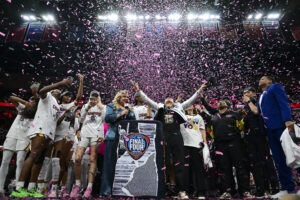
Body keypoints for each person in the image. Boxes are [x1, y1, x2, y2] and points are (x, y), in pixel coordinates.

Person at [131, 81, 202, 199]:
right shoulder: (159, 107)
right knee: (164, 164)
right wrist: (138, 89)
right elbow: (147, 99)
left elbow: (191, 100)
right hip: (163, 138)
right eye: (167, 99)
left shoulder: (179, 108)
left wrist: (199, 90)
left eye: (171, 99)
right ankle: (164, 189)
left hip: (177, 137)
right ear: (163, 102)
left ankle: (181, 190)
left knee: (179, 163)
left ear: (174, 102)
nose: (169, 100)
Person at [11, 77, 73, 198]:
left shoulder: (57, 104)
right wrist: (61, 83)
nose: (58, 90)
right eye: (56, 89)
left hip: (49, 133)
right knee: (33, 156)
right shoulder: (47, 97)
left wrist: (64, 113)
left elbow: (57, 122)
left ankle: (31, 188)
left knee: (39, 160)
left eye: (59, 90)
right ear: (52, 90)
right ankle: (18, 187)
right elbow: (42, 91)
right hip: (40, 130)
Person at [257, 76, 296, 199]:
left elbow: (283, 102)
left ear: (269, 81)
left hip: (280, 126)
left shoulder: (275, 87)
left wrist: (287, 119)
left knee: (293, 155)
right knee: (279, 160)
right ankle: (287, 188)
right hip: (270, 131)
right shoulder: (261, 96)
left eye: (263, 78)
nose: (260, 80)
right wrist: (265, 132)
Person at [47, 74, 84, 198]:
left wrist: (81, 81)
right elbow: (56, 122)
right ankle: (52, 186)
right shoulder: (56, 106)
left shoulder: (71, 106)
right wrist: (65, 113)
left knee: (65, 163)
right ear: (62, 96)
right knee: (56, 162)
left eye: (70, 96)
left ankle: (60, 188)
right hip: (55, 135)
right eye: (67, 95)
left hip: (68, 136)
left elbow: (79, 97)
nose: (69, 98)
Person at [0, 83, 39, 196]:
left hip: (25, 138)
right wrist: (26, 103)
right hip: (12, 135)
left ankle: (18, 188)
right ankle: (0, 187)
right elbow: (11, 98)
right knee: (5, 161)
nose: (31, 103)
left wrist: (30, 104)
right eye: (30, 101)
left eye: (33, 102)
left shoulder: (37, 114)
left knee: (20, 162)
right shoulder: (22, 108)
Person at [242, 86, 279, 197]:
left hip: (261, 136)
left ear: (254, 94)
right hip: (250, 138)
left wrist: (249, 102)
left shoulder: (259, 102)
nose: (245, 94)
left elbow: (257, 112)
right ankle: (261, 189)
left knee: (267, 162)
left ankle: (275, 188)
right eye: (244, 93)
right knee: (255, 164)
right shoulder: (245, 106)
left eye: (247, 92)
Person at [100, 90, 136, 196]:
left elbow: (133, 121)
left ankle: (121, 190)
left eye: (127, 97)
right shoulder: (111, 106)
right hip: (112, 137)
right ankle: (106, 190)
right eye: (124, 96)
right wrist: (121, 113)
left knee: (123, 165)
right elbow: (108, 119)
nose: (126, 98)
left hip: (125, 140)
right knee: (109, 165)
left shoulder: (129, 108)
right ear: (118, 97)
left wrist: (129, 111)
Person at [70, 90, 106, 198]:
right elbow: (80, 119)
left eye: (96, 97)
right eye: (92, 97)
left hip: (97, 134)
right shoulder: (86, 105)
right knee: (77, 158)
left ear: (99, 97)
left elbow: (105, 118)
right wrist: (87, 107)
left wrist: (99, 105)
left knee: (92, 159)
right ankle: (77, 185)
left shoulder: (103, 107)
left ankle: (89, 187)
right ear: (90, 97)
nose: (93, 99)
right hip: (85, 134)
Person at [180, 105, 209, 199]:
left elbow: (202, 130)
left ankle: (201, 192)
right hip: (184, 145)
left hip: (197, 145)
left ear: (193, 107)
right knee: (186, 170)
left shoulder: (198, 117)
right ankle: (187, 191)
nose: (189, 106)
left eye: (191, 105)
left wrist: (205, 143)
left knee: (198, 170)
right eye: (187, 105)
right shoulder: (181, 116)